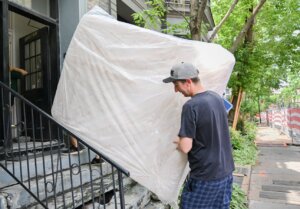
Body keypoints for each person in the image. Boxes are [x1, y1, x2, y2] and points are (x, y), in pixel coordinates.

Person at [163, 62, 235, 209]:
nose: (176, 90)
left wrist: (178, 142)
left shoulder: (191, 106)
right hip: (226, 172)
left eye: (176, 85)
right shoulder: (216, 98)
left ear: (188, 82)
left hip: (205, 175)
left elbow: (185, 147)